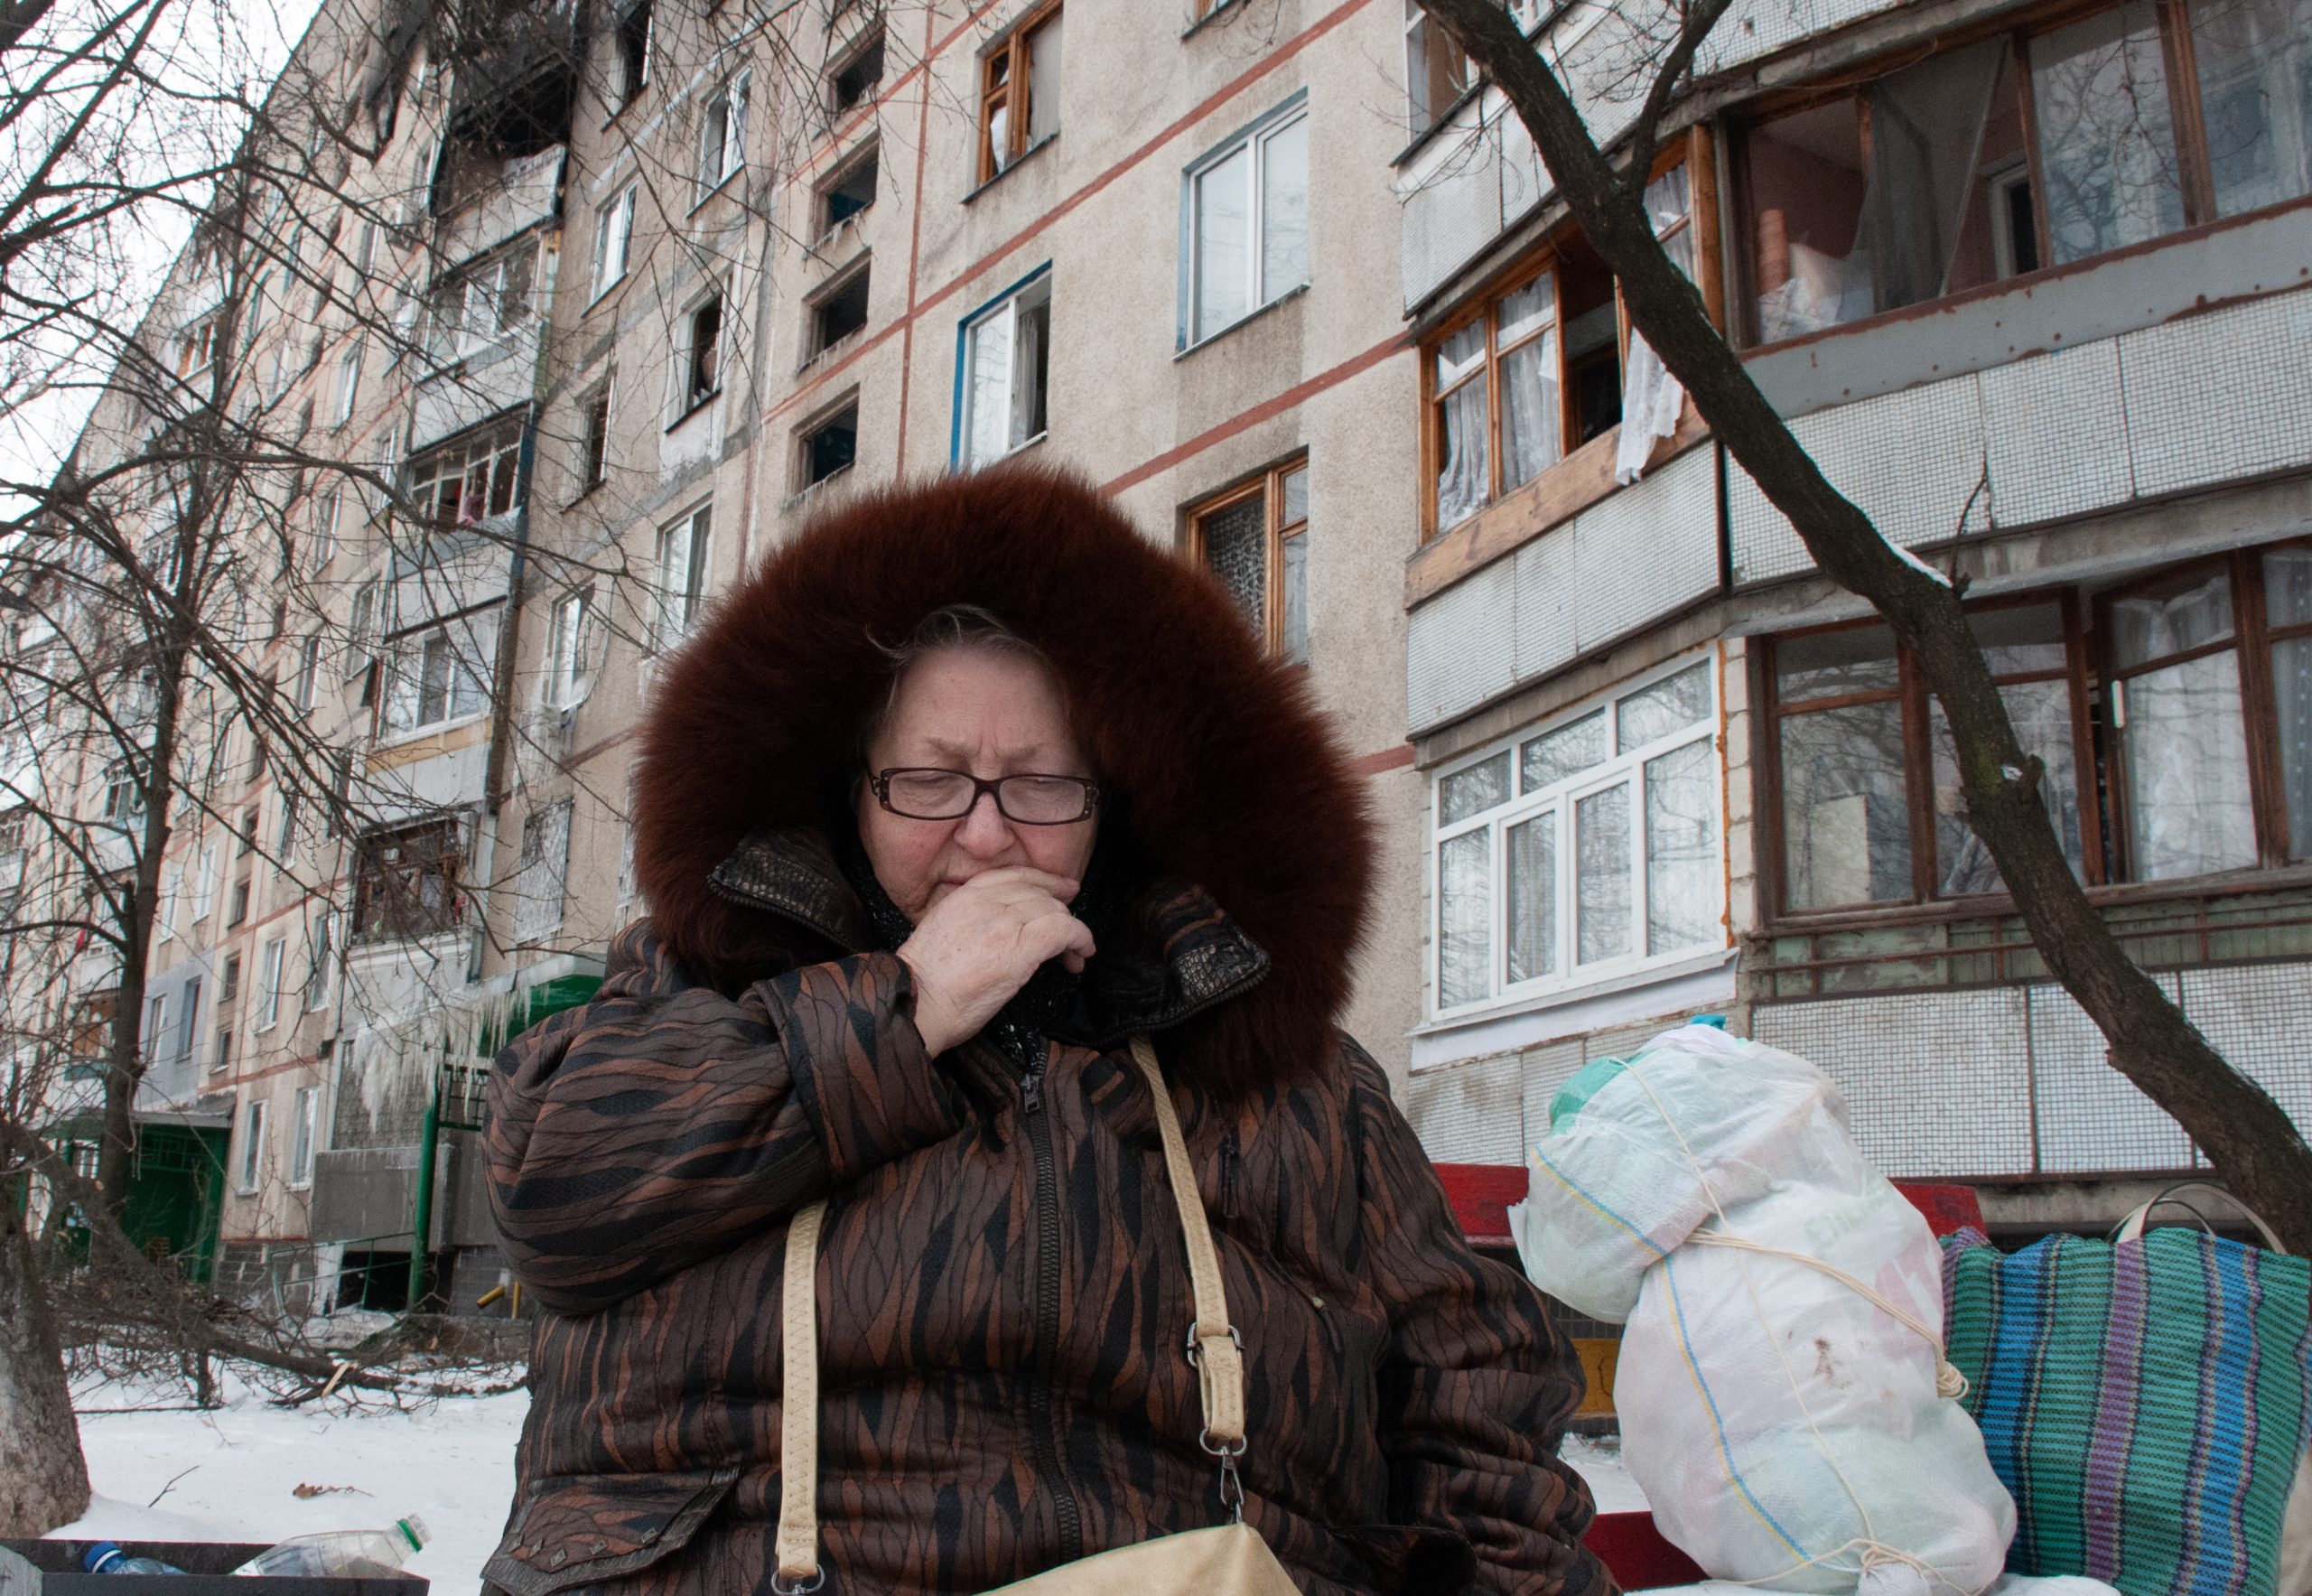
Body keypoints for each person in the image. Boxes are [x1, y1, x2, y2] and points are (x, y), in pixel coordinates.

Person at [481, 468, 1609, 1596]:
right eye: (929, 782)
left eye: (1039, 786)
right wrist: (904, 1011)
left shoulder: (1280, 1069)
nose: (984, 838)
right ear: (853, 798)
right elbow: (554, 1188)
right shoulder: (705, 988)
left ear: (1112, 804)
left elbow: (1476, 1403)